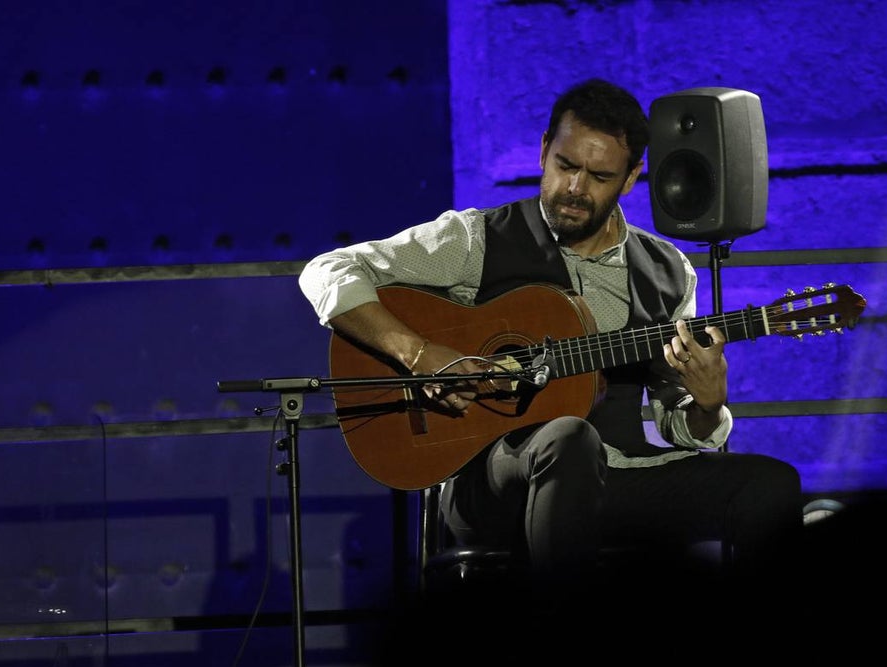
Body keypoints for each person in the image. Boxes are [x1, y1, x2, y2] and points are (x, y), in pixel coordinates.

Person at [298, 77, 803, 602]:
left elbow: (680, 423)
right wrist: (422, 353)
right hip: (495, 483)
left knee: (769, 485)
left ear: (632, 179)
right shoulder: (477, 238)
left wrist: (707, 402)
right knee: (568, 437)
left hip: (619, 479)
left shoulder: (667, 271)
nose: (576, 188)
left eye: (600, 175)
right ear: (544, 151)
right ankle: (561, 650)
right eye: (566, 166)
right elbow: (327, 270)